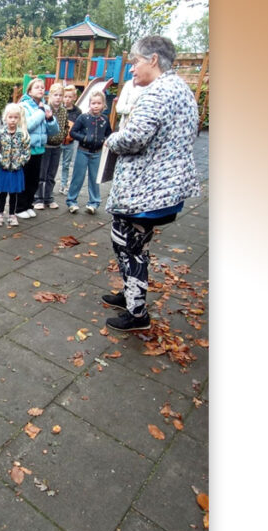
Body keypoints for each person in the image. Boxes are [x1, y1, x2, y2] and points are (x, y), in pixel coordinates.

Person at [102, 35, 200, 332]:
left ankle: (137, 314)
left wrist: (111, 139)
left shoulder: (158, 93)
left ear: (153, 60)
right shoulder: (182, 89)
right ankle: (131, 295)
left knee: (127, 247)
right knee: (136, 245)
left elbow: (132, 138)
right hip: (163, 190)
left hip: (145, 193)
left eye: (135, 62)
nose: (132, 69)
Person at [16, 78, 59, 219]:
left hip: (40, 149)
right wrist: (41, 113)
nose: (41, 89)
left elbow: (54, 131)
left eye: (42, 87)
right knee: (25, 179)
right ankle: (19, 207)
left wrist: (50, 119)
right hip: (27, 149)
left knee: (34, 180)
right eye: (37, 87)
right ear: (29, 91)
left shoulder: (45, 107)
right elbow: (27, 126)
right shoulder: (23, 106)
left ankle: (29, 205)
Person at [65, 90, 112, 215]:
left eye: (99, 103)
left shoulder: (105, 119)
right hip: (83, 151)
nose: (96, 106)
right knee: (77, 177)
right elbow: (73, 132)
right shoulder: (83, 118)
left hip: (97, 153)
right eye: (93, 103)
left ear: (103, 105)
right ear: (89, 104)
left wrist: (106, 140)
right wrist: (84, 138)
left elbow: (109, 134)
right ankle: (71, 201)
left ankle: (94, 202)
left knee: (95, 178)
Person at [0, 102, 31, 227]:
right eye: (10, 117)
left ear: (19, 119)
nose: (13, 120)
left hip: (16, 169)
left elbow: (26, 151)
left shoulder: (22, 134)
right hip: (3, 168)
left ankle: (12, 215)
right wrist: (1, 161)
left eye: (15, 117)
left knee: (14, 193)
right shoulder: (0, 133)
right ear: (5, 117)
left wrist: (20, 162)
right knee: (3, 192)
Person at [33, 82, 68, 211]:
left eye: (60, 95)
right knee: (42, 173)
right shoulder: (46, 109)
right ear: (50, 96)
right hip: (46, 146)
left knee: (52, 174)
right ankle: (39, 198)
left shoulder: (64, 111)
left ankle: (48, 197)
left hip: (57, 147)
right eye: (55, 95)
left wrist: (62, 135)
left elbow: (65, 126)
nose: (58, 98)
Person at [59, 84, 81, 194]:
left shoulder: (77, 112)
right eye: (65, 96)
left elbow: (79, 126)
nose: (67, 99)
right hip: (58, 142)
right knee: (53, 165)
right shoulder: (59, 109)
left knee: (66, 164)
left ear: (74, 98)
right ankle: (51, 183)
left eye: (70, 97)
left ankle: (64, 184)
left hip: (69, 142)